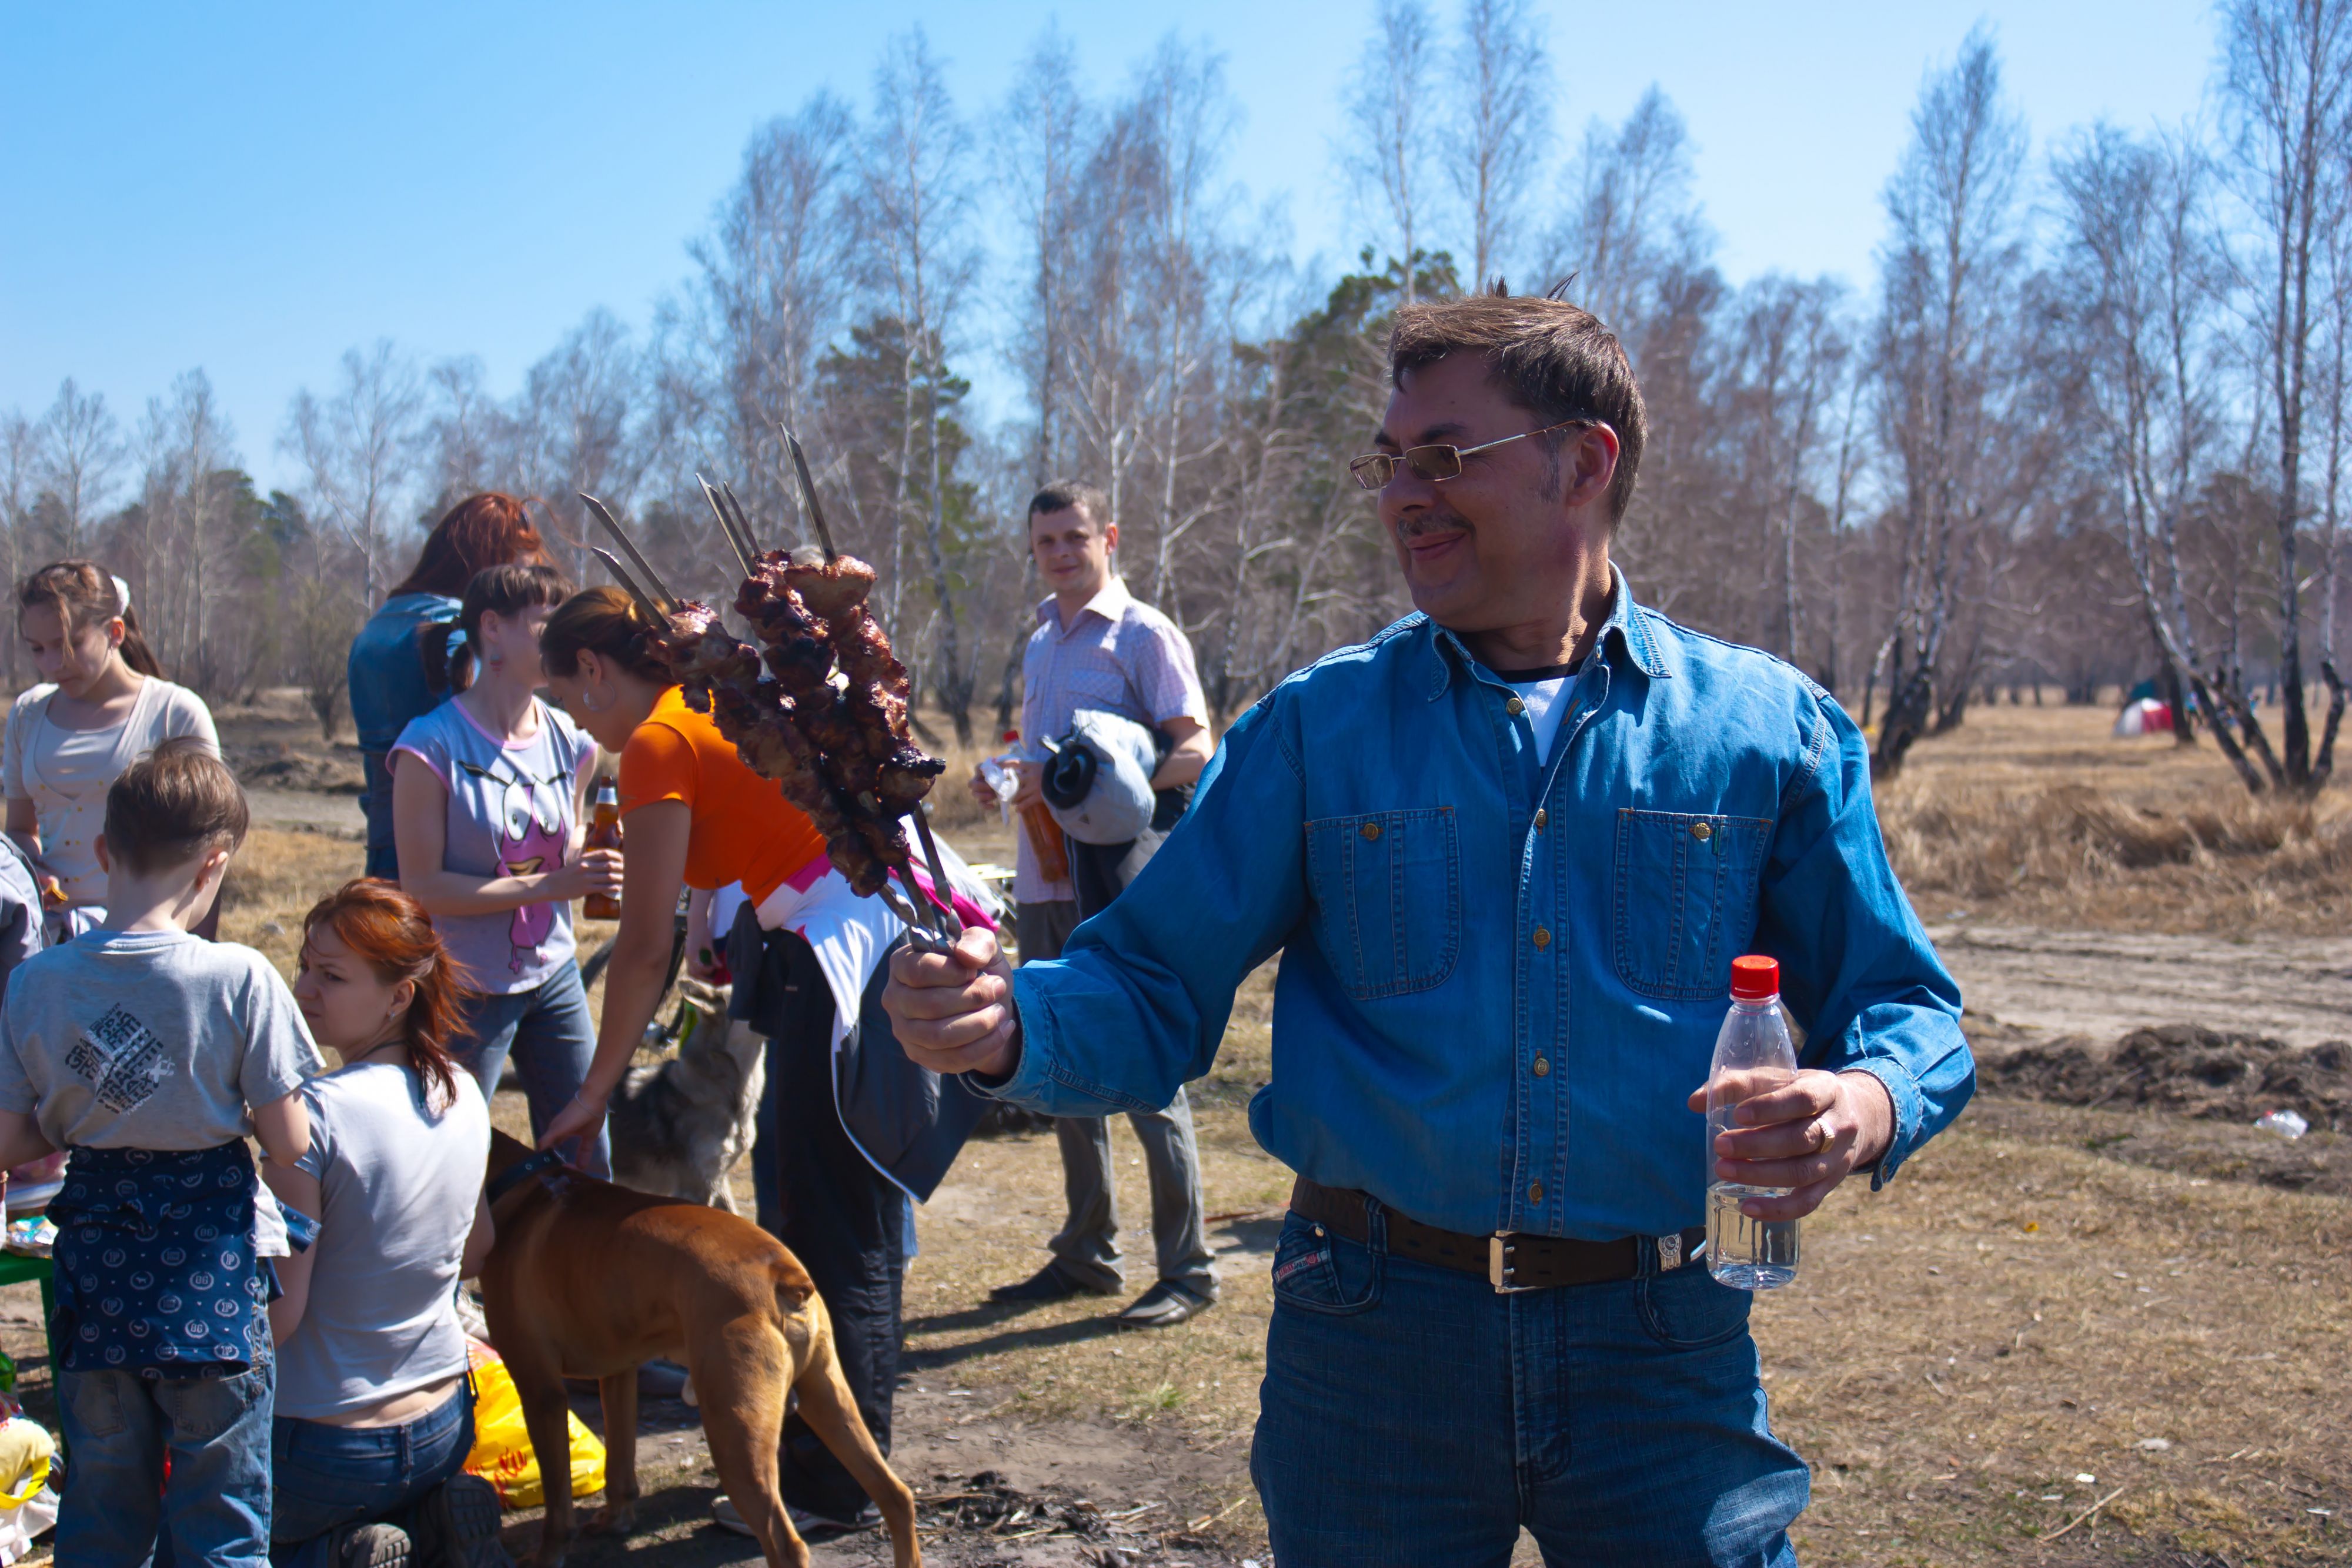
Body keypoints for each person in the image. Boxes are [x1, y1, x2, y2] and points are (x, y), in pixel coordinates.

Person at [887, 289, 1975, 1567]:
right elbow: (1146, 983)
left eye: (1445, 457)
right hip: (1373, 1341)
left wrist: (1862, 1103)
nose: (1402, 492)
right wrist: (1010, 1017)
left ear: (1583, 463)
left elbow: (1906, 1006)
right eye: (1388, 460)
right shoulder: (1315, 729)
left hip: (1663, 1345)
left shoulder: (1766, 732)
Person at [532, 586, 993, 1543]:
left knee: (833, 1224)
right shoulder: (707, 707)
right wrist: (719, 916)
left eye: (574, 699)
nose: (581, 721)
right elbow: (722, 862)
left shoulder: (660, 738)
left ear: (594, 667)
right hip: (859, 929)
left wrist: (592, 1090)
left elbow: (642, 948)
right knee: (814, 1207)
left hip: (851, 950)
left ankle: (830, 1491)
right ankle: (827, 1465)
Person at [0, 739, 322, 1566]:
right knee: (222, 1519)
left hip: (97, 1281)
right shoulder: (239, 977)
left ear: (105, 849)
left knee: (102, 1514)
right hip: (209, 1285)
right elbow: (289, 1141)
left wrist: (89, 1110)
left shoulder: (35, 983)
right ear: (215, 862)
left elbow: (13, 1139)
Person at [973, 482, 1219, 1329]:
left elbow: (1196, 749)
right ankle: (1089, 1253)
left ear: (1108, 535)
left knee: (1150, 1076)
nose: (1062, 552)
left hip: (1120, 887)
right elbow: (1036, 760)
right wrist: (1005, 774)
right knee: (1060, 1064)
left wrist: (1104, 782)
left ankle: (1188, 1268)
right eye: (1047, 541)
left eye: (1076, 536)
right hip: (1042, 883)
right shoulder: (1042, 640)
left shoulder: (1144, 634)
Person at [265, 879, 505, 1568]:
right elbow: (479, 1248)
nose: (303, 989)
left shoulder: (311, 1114)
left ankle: (337, 1554)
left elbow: (281, 1311)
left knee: (206, 1532)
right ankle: (429, 1524)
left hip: (322, 1444)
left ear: (400, 996)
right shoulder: (462, 1091)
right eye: (306, 967)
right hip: (444, 1422)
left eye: (331, 976)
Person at [391, 563, 616, 1171]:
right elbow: (423, 888)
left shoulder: (572, 739)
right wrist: (555, 883)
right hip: (468, 988)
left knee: (587, 1152)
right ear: (491, 628)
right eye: (548, 627)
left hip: (555, 976)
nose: (565, 647)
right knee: (446, 1158)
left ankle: (580, 1268)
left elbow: (565, 844)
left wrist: (590, 863)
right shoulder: (430, 747)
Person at [6, 561, 219, 940]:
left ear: (114, 632)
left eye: (68, 644)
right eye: (38, 649)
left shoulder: (176, 714)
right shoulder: (27, 713)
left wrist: (194, 952)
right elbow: (22, 830)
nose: (52, 664)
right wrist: (29, 872)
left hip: (145, 938)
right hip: (44, 938)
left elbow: (213, 850)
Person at [349, 493, 547, 881]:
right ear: (493, 565)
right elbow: (486, 750)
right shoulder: (457, 634)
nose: (526, 590)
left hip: (384, 850)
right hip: (454, 871)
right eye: (521, 572)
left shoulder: (376, 628)